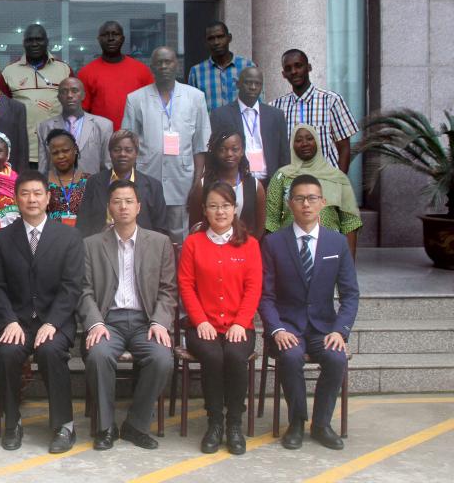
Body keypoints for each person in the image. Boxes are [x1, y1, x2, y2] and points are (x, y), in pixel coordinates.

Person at [260, 174, 359, 451]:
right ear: (290, 203)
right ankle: (296, 422)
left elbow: (350, 294)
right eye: (300, 198)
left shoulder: (337, 243)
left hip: (323, 328)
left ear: (322, 203)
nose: (306, 204)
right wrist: (277, 329)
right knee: (290, 356)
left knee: (336, 358)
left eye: (312, 198)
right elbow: (265, 296)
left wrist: (340, 331)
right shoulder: (273, 243)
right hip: (288, 326)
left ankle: (321, 424)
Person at [0, 171, 84, 454]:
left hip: (55, 321)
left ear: (48, 197)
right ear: (16, 198)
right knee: (6, 353)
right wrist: (9, 320)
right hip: (17, 321)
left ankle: (64, 425)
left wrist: (52, 322)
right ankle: (12, 422)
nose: (32, 199)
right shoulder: (2, 238)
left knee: (50, 351)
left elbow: (72, 286)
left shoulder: (68, 236)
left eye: (37, 193)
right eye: (25, 193)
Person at [78, 179, 176, 451]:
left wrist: (160, 322)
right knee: (98, 355)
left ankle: (136, 425)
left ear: (139, 207)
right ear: (109, 207)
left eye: (129, 201)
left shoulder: (160, 243)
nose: (123, 207)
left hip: (146, 322)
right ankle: (106, 427)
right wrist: (95, 322)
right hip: (108, 322)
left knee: (161, 358)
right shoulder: (91, 244)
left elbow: (168, 289)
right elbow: (84, 290)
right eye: (117, 202)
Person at [178, 181, 262, 455]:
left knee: (236, 356)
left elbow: (254, 288)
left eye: (225, 205)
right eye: (213, 206)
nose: (220, 212)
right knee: (213, 356)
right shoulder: (193, 243)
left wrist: (241, 322)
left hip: (240, 326)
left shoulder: (250, 245)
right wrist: (200, 320)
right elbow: (186, 285)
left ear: (235, 208)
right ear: (204, 210)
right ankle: (215, 422)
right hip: (201, 326)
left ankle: (234, 423)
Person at [122, 46, 212, 244]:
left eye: (168, 62)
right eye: (159, 63)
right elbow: (127, 147)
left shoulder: (195, 97)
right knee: (147, 236)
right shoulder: (135, 99)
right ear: (152, 67)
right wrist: (131, 182)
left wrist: (197, 182)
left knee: (180, 237)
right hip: (147, 179)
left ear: (177, 65)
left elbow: (200, 145)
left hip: (182, 180)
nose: (163, 66)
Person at [264, 124, 362, 254]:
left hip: (330, 251)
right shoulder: (281, 176)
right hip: (290, 251)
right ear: (292, 145)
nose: (304, 143)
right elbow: (271, 221)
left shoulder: (337, 178)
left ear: (317, 142)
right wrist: (275, 257)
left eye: (309, 139)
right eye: (298, 140)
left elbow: (350, 223)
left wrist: (349, 262)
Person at [272, 49, 359, 172]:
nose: (294, 71)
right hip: (292, 181)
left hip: (325, 180)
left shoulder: (331, 101)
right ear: (283, 74)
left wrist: (339, 181)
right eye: (288, 68)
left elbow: (344, 148)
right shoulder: (276, 107)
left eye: (298, 66)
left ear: (309, 67)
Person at [0, 24, 73, 165]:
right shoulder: (8, 72)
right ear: (23, 43)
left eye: (39, 39)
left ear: (47, 41)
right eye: (30, 40)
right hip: (22, 151)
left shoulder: (64, 70)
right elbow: (1, 113)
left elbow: (74, 110)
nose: (34, 44)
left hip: (57, 151)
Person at [78, 130, 168, 237]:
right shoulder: (94, 182)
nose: (122, 154)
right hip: (101, 243)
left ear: (136, 153)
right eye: (117, 150)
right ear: (110, 153)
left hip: (141, 245)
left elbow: (161, 228)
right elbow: (83, 224)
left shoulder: (153, 186)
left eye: (128, 150)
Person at [210, 66, 290, 183]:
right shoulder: (221, 115)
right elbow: (214, 154)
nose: (253, 87)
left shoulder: (276, 115)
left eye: (257, 84)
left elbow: (284, 155)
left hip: (270, 183)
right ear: (238, 84)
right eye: (248, 83)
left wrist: (283, 185)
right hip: (237, 183)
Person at [187, 130, 267, 239]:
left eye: (235, 149)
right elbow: (195, 225)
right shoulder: (203, 185)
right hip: (211, 245)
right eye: (222, 150)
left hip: (243, 245)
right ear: (215, 152)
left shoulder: (255, 186)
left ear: (242, 151)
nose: (229, 154)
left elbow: (260, 227)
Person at [76, 21, 154, 128]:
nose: (110, 38)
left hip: (134, 135)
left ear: (122, 39)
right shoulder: (86, 73)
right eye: (105, 35)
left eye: (115, 34)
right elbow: (82, 112)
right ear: (99, 39)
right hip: (99, 135)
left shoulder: (142, 70)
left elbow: (152, 107)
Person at [37, 77, 113, 175]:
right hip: (57, 183)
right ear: (58, 97)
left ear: (83, 95)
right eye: (64, 91)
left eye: (75, 91)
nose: (69, 95)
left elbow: (107, 165)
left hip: (92, 183)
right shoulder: (45, 127)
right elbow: (43, 168)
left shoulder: (103, 126)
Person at [187, 22, 256, 113]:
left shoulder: (247, 67)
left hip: (241, 122)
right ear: (206, 43)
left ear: (229, 38)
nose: (216, 42)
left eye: (220, 37)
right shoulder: (197, 72)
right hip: (210, 122)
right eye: (211, 38)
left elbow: (258, 103)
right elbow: (192, 108)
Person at [43, 129, 88, 226]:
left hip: (83, 234)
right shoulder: (42, 181)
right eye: (55, 153)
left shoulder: (90, 181)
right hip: (52, 233)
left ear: (75, 149)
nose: (61, 156)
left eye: (65, 151)